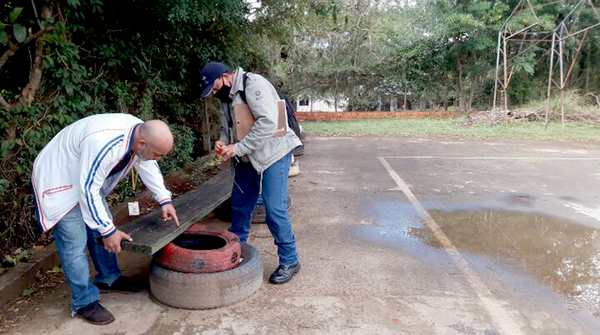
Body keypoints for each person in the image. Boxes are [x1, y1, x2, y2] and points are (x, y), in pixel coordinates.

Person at [31, 114, 180, 325]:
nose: (158, 159)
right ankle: (84, 302)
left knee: (103, 225)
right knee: (75, 242)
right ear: (143, 143)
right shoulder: (103, 142)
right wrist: (107, 231)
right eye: (157, 154)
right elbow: (88, 189)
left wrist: (164, 199)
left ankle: (109, 278)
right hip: (59, 179)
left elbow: (146, 162)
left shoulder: (138, 133)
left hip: (84, 176)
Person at [200, 61, 302, 284]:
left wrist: (238, 147)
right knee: (239, 207)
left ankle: (290, 260)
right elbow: (226, 127)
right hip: (247, 156)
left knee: (274, 210)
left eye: (215, 88)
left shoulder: (254, 85)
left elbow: (267, 123)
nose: (214, 93)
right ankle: (237, 254)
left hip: (274, 153)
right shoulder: (225, 97)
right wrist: (223, 141)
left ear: (225, 77)